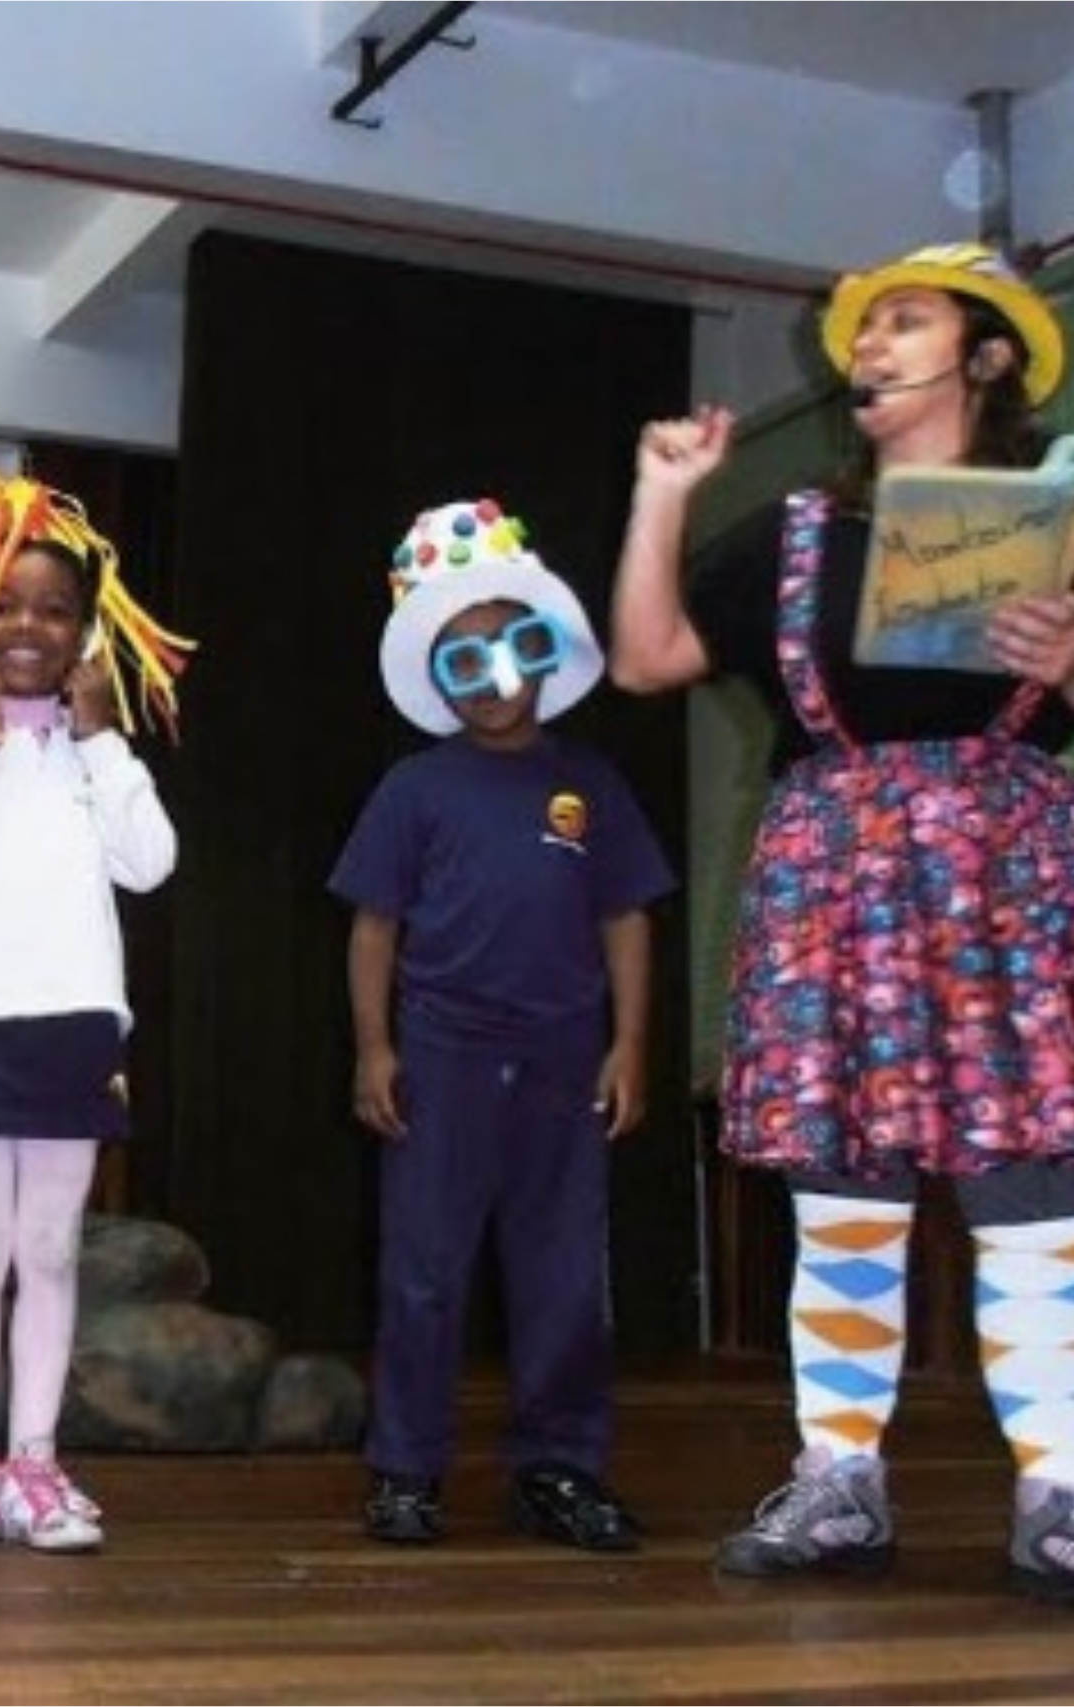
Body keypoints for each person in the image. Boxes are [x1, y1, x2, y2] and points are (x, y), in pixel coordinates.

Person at [610, 241, 1074, 1602]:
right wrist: (662, 496)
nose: (867, 348)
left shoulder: (1059, 533)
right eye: (864, 332)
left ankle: (1059, 1491)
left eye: (904, 324)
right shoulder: (797, 534)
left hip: (1005, 879)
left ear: (987, 356)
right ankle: (839, 1484)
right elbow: (645, 657)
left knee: (1031, 1191)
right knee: (843, 1191)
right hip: (834, 878)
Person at [331, 499, 673, 1553]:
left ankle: (559, 1466)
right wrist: (375, 1047)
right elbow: (373, 926)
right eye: (463, 659)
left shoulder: (589, 784)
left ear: (545, 651)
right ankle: (405, 1470)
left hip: (564, 1059)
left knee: (563, 1271)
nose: (493, 677)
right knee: (424, 1270)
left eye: (511, 648)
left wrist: (628, 1044)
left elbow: (625, 916)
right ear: (437, 680)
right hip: (442, 1055)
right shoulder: (414, 788)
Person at [0, 468, 191, 1553]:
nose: (26, 626)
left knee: (49, 1251)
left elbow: (150, 863)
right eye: (4, 605)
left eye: (53, 610)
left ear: (84, 634)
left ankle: (36, 1465)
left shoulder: (94, 753)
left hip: (74, 1026)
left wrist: (102, 739)